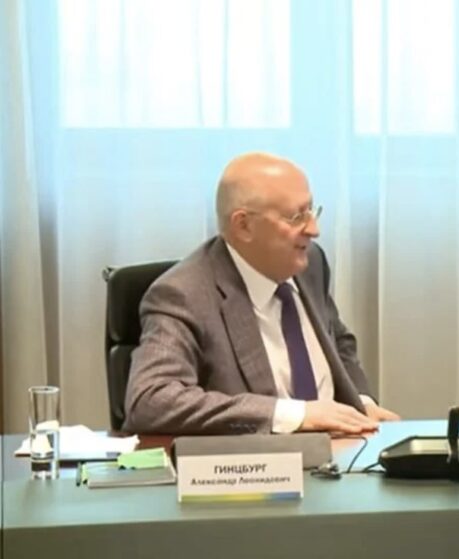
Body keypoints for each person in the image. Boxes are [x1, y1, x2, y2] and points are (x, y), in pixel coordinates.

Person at [124, 153, 399, 435]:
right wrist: (295, 415)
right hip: (255, 458)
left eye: (311, 211)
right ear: (243, 225)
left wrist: (360, 403)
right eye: (296, 217)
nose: (314, 230)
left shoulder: (309, 262)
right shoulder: (183, 294)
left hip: (342, 448)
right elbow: (151, 401)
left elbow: (337, 341)